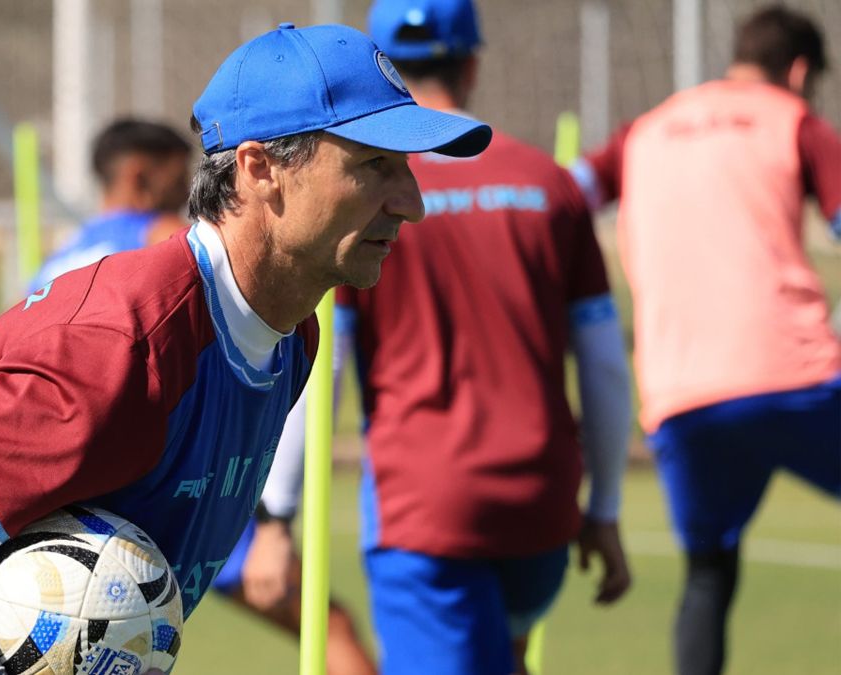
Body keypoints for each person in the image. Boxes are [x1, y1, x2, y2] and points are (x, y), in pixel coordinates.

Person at [0, 23, 491, 674]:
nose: (413, 203)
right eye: (374, 167)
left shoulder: (291, 341)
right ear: (259, 171)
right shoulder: (122, 342)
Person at [254, 2, 635, 673]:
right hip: (541, 506)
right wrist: (603, 506)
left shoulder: (365, 191)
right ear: (473, 61)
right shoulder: (550, 184)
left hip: (425, 508)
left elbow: (327, 365)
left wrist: (277, 516)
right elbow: (604, 363)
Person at [31, 117, 377, 674]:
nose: (193, 187)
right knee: (328, 625)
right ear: (141, 176)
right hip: (186, 480)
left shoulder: (58, 258)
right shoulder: (164, 239)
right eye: (178, 174)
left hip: (87, 498)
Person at [570, 6, 841, 675]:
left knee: (707, 575)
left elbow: (565, 191)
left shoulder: (645, 129)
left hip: (682, 397)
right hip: (794, 378)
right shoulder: (793, 120)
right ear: (800, 71)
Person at [29, 118, 191, 291]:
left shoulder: (53, 265)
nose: (188, 192)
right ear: (139, 178)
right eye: (179, 180)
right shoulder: (163, 235)